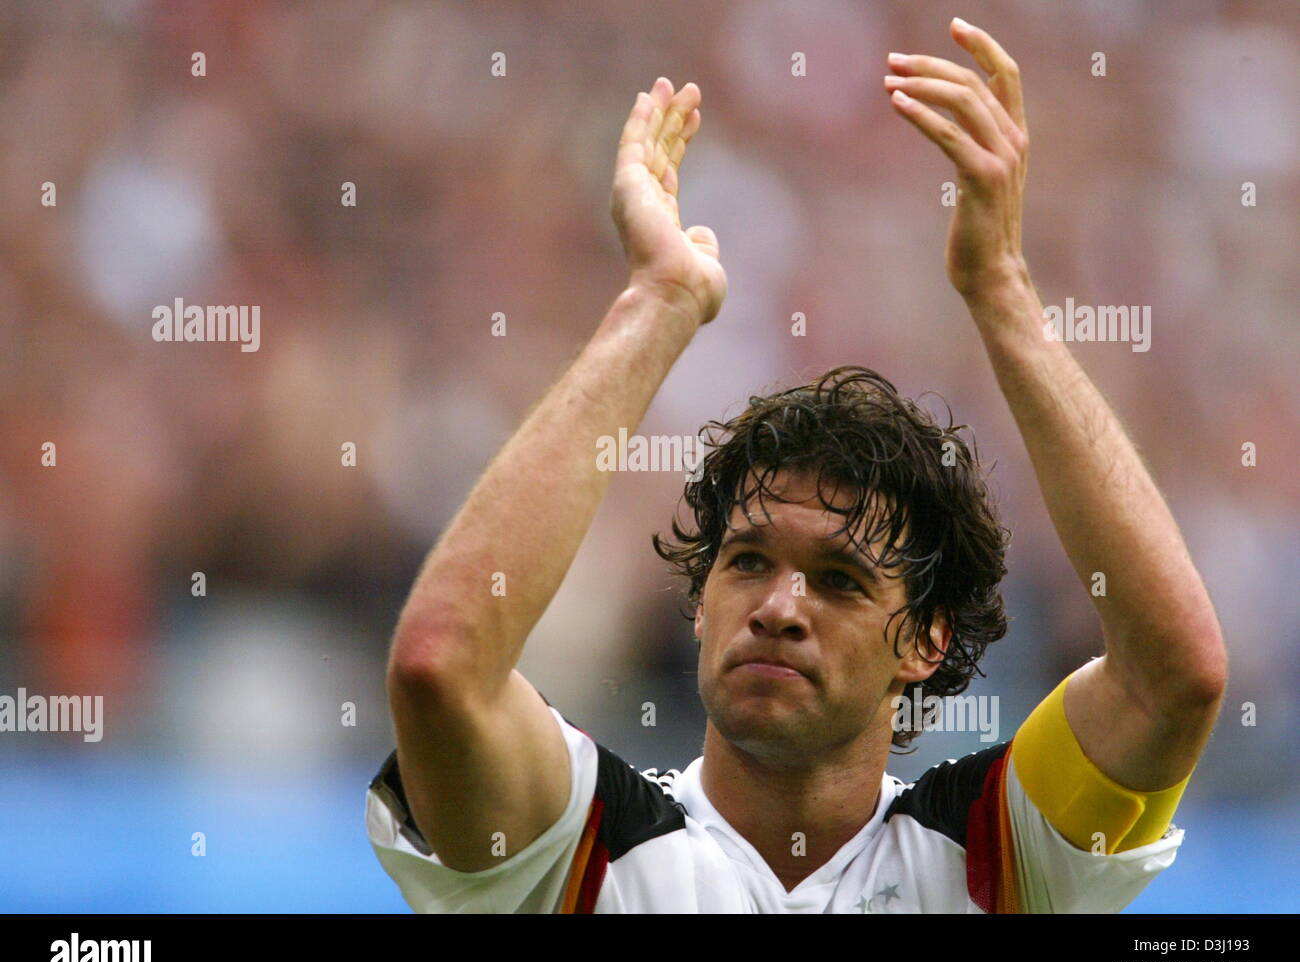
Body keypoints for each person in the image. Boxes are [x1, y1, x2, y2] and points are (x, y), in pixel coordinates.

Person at [366, 18, 1226, 913]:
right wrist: (656, 304)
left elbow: (1176, 675)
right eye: (746, 562)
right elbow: (440, 667)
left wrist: (1003, 292)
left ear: (928, 640)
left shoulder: (990, 856)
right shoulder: (581, 843)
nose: (779, 609)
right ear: (699, 605)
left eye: (841, 579)